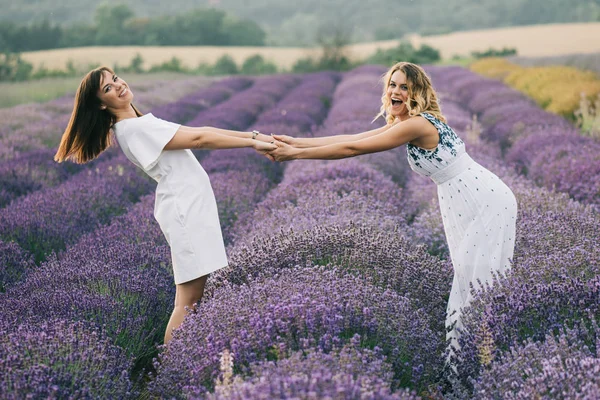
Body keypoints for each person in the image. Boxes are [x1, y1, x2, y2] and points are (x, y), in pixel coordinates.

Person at [268, 61, 518, 365]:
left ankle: (478, 361)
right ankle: (477, 360)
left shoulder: (417, 124)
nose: (395, 91)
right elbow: (351, 140)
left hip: (484, 199)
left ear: (416, 93)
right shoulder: (406, 123)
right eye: (392, 85)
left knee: (476, 282)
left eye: (404, 87)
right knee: (471, 278)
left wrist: (295, 155)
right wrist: (295, 142)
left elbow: (353, 150)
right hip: (465, 197)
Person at [54, 66, 277, 344]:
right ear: (101, 103)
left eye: (115, 78)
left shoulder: (140, 123)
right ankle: (170, 371)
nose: (119, 85)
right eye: (108, 88)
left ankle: (179, 364)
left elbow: (200, 131)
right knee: (188, 302)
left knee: (194, 299)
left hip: (191, 207)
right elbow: (199, 139)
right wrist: (253, 141)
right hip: (185, 211)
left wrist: (253, 137)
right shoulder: (133, 129)